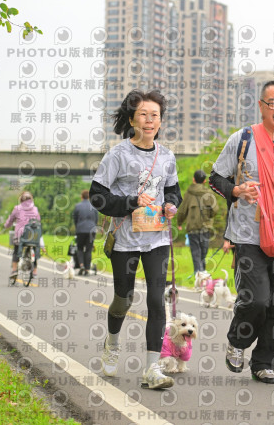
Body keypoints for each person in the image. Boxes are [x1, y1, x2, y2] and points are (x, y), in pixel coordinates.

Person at [209, 80, 274, 384]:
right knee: (257, 300)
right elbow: (216, 178)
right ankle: (238, 340)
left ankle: (265, 362)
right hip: (248, 235)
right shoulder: (242, 139)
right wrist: (237, 190)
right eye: (273, 103)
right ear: (261, 106)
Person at [89, 89, 182, 390]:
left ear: (160, 121)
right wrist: (131, 202)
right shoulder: (117, 155)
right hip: (125, 239)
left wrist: (171, 205)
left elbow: (173, 191)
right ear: (132, 120)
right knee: (123, 299)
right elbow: (97, 196)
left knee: (156, 300)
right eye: (143, 114)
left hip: (157, 239)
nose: (149, 120)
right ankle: (112, 342)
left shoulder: (167, 156)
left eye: (155, 115)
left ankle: (152, 369)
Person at [176, 169, 218, 274]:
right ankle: (202, 273)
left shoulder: (188, 193)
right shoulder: (209, 193)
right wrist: (209, 217)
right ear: (204, 181)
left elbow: (182, 211)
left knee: (196, 253)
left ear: (193, 179)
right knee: (203, 253)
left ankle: (198, 275)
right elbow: (215, 209)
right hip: (205, 228)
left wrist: (179, 223)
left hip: (192, 228)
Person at [4, 192, 42, 277]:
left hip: (21, 236)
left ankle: (14, 270)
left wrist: (6, 226)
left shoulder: (17, 208)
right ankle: (35, 270)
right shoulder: (35, 209)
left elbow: (10, 220)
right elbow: (38, 221)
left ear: (21, 200)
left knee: (16, 250)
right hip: (33, 236)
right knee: (34, 248)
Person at [72, 190, 99, 276]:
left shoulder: (77, 206)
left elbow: (75, 219)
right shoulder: (94, 206)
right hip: (91, 230)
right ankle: (87, 269)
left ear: (81, 196)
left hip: (80, 230)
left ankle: (81, 265)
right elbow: (96, 219)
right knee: (88, 250)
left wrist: (77, 228)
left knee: (80, 248)